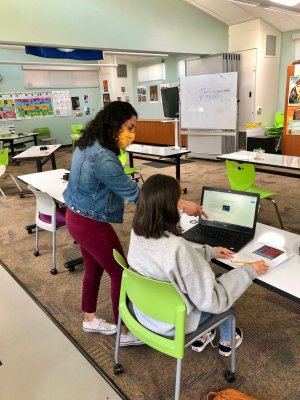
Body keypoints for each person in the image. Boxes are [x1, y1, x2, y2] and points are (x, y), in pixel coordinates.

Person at [63, 101, 206, 346]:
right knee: (122, 273)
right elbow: (137, 195)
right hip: (91, 223)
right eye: (129, 127)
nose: (132, 133)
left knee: (94, 268)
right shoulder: (104, 159)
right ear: (114, 124)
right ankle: (126, 331)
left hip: (75, 216)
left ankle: (89, 318)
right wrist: (180, 204)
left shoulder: (88, 143)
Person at [127, 174, 269, 356]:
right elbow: (214, 301)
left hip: (145, 312)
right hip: (173, 324)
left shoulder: (138, 231)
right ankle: (227, 338)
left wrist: (210, 251)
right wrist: (249, 271)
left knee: (211, 282)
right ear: (169, 207)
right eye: (180, 200)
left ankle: (205, 335)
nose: (183, 205)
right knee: (225, 299)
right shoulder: (177, 247)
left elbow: (175, 262)